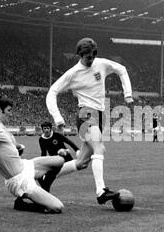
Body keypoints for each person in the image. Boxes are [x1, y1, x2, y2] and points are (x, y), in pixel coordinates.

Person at [46, 37, 134, 205]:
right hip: (85, 114)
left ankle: (47, 176)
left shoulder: (101, 64)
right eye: (87, 57)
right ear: (80, 55)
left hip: (101, 115)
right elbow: (52, 91)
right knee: (99, 147)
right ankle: (101, 192)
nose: (91, 59)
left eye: (93, 55)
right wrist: (57, 117)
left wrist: (127, 94)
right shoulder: (73, 73)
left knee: (81, 162)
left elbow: (121, 69)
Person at [0, 95, 65, 213]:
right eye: (9, 110)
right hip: (18, 181)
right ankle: (22, 204)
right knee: (57, 207)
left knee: (60, 160)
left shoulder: (0, 126)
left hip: (24, 166)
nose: (11, 114)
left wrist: (19, 147)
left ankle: (44, 189)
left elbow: (9, 144)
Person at [38, 121, 83, 192]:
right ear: (42, 129)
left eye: (47, 128)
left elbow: (68, 141)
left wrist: (77, 150)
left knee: (48, 176)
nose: (46, 130)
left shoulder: (56, 135)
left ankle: (45, 191)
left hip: (66, 159)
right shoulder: (41, 139)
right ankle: (45, 191)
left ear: (50, 129)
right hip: (55, 160)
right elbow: (43, 152)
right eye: (44, 128)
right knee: (41, 177)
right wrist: (42, 163)